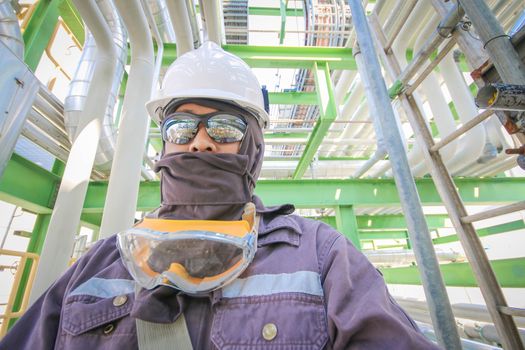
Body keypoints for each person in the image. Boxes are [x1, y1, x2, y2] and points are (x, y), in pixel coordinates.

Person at [0, 42, 440, 349]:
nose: (201, 143)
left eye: (225, 127)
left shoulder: (322, 257)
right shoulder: (97, 265)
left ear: (253, 146)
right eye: (182, 127)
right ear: (165, 143)